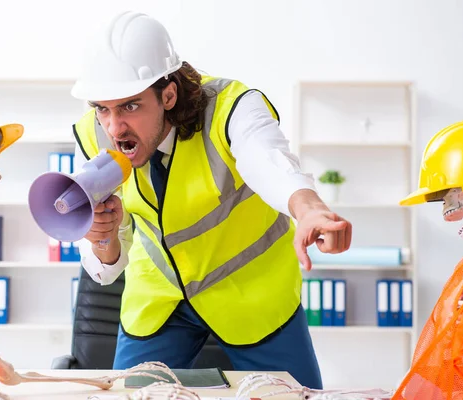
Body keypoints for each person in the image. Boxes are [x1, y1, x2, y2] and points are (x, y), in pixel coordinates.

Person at [70, 11, 352, 389]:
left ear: (167, 94)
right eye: (102, 108)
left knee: (296, 397)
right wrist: (101, 237)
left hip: (253, 295)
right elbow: (105, 267)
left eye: (131, 106)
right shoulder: (94, 136)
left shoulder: (231, 108)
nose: (114, 127)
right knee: (129, 396)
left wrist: (309, 208)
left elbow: (269, 160)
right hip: (159, 301)